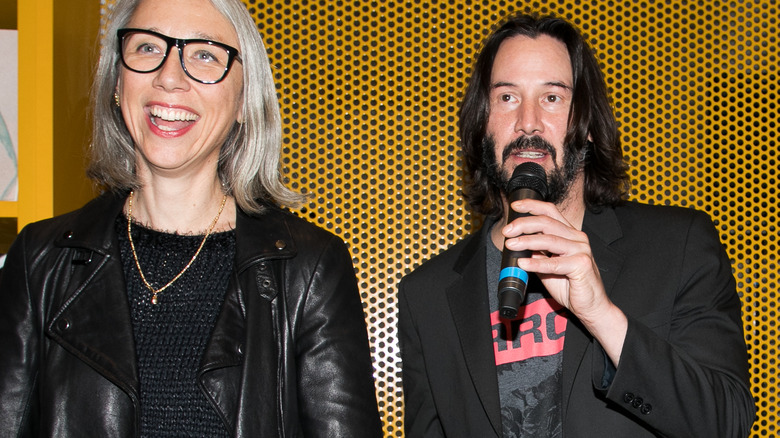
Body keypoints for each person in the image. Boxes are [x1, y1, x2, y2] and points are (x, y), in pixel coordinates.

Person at [0, 0, 382, 436]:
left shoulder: (309, 267)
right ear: (117, 83)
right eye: (147, 48)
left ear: (243, 100)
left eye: (204, 55)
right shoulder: (39, 259)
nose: (168, 77)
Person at [398, 13, 756, 438]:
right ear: (483, 124)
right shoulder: (427, 295)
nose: (527, 122)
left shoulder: (678, 246)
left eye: (552, 98)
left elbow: (726, 423)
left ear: (585, 124)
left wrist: (602, 316)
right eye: (507, 97)